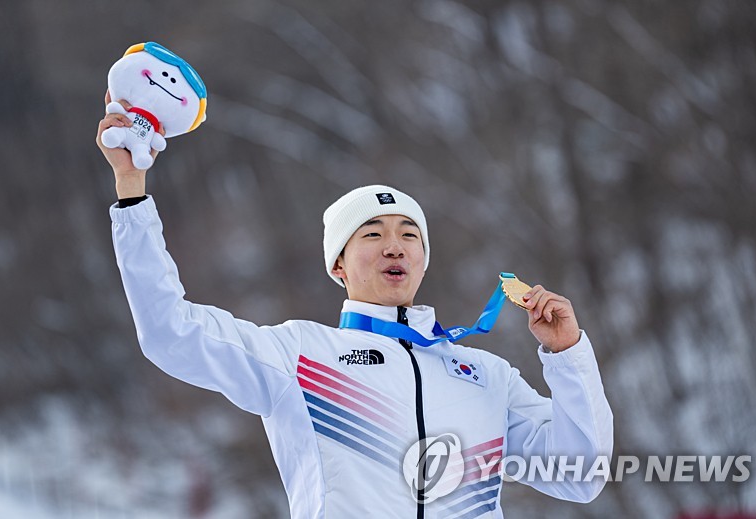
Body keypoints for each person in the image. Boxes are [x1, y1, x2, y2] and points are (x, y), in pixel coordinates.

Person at [97, 95, 613, 519]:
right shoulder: (300, 355)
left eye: (409, 235)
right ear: (338, 266)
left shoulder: (487, 375)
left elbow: (580, 476)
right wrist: (131, 194)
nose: (395, 246)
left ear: (423, 260)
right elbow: (170, 333)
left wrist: (568, 356)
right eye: (372, 234)